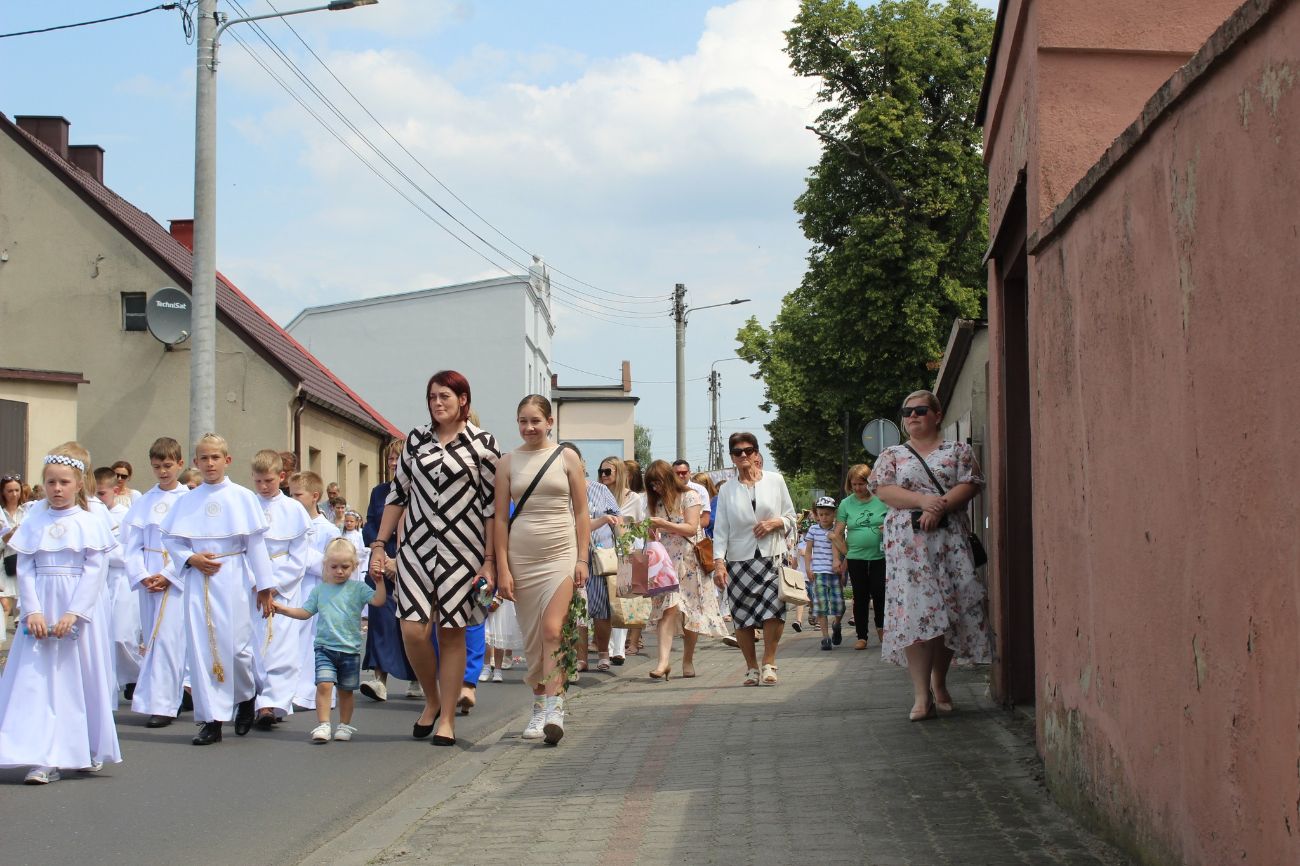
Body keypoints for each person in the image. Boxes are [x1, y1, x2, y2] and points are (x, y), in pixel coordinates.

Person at [369, 371, 499, 747]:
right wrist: (380, 544)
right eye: (431, 397)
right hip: (416, 548)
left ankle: (446, 719)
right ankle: (431, 697)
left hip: (464, 551)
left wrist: (489, 560)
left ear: (463, 400)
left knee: (452, 632)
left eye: (445, 396)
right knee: (412, 630)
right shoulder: (416, 440)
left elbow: (491, 507)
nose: (437, 402)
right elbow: (398, 494)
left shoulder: (484, 444)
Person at [0, 443, 121, 783]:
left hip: (76, 611)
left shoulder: (88, 522)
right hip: (41, 607)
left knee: (78, 678)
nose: (57, 489)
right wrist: (32, 610)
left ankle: (81, 747)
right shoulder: (35, 521)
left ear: (78, 484)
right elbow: (25, 566)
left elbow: (95, 570)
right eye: (51, 482)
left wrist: (75, 613)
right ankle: (43, 755)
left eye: (64, 482)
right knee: (39, 680)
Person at [868, 390, 990, 721]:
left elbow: (971, 483)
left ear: (937, 414)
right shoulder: (892, 454)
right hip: (908, 548)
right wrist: (923, 503)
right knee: (915, 614)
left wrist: (939, 507)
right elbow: (882, 489)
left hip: (948, 541)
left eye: (920, 410)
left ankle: (940, 682)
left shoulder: (957, 451)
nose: (912, 416)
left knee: (947, 610)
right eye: (906, 411)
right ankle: (922, 696)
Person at [161, 433, 277, 745]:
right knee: (201, 649)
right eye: (203, 458)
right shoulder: (187, 500)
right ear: (196, 462)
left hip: (233, 577)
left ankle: (246, 695)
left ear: (227, 460)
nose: (209, 463)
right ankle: (211, 719)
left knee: (237, 649)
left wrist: (264, 587)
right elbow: (172, 539)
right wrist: (191, 558)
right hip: (199, 580)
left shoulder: (242, 497)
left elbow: (255, 544)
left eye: (215, 458)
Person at [494, 395, 588, 745]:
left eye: (536, 420)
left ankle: (555, 708)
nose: (529, 427)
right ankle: (538, 705)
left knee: (552, 630)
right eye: (523, 421)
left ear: (550, 422)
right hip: (521, 556)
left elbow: (580, 512)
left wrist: (581, 559)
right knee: (532, 638)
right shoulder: (507, 463)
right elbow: (500, 519)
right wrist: (502, 567)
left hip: (560, 552)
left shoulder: (567, 457)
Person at [273, 537, 388, 742]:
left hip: (349, 650)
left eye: (345, 566)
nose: (339, 571)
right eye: (334, 566)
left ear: (354, 566)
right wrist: (282, 609)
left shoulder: (358, 589)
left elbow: (378, 601)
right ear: (326, 566)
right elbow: (305, 612)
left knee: (345, 691)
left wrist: (379, 582)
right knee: (324, 685)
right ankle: (323, 724)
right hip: (324, 648)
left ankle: (344, 725)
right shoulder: (320, 591)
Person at [711, 432, 796, 687]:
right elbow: (721, 529)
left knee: (774, 610)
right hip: (739, 560)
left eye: (749, 450)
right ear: (732, 458)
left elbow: (791, 517)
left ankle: (769, 662)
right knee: (743, 615)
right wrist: (718, 562)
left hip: (772, 555)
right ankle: (751, 668)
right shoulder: (727, 490)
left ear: (757, 453)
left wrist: (775, 523)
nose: (744, 455)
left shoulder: (775, 480)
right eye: (738, 452)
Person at [124, 437, 191, 728]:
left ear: (179, 463)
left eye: (167, 465)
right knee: (151, 639)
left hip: (174, 577)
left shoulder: (189, 499)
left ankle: (165, 704)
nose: (163, 472)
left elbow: (191, 543)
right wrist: (142, 575)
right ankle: (153, 698)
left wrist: (167, 575)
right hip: (149, 575)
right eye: (156, 467)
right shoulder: (145, 501)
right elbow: (131, 544)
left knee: (168, 640)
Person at [645, 460, 728, 679]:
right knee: (667, 609)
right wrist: (650, 531)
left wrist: (663, 525)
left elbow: (692, 528)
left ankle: (687, 659)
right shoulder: (656, 502)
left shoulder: (690, 496)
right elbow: (653, 534)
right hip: (665, 562)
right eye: (652, 484)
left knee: (692, 611)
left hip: (690, 561)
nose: (656, 488)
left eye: (658, 482)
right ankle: (663, 662)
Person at [248, 449, 311, 729]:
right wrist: (255, 581)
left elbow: (299, 557)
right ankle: (252, 697)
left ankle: (271, 703)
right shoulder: (247, 505)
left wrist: (274, 586)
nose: (263, 487)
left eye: (269, 481)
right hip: (251, 583)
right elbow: (239, 549)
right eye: (259, 481)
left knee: (280, 645)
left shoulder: (293, 509)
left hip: (282, 583)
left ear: (281, 477)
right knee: (252, 644)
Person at [359, 439, 419, 702]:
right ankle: (379, 680)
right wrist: (380, 552)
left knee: (413, 624)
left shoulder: (423, 493)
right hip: (381, 565)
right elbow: (370, 526)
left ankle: (418, 677)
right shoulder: (379, 492)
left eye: (399, 458)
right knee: (381, 622)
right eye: (391, 459)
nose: (394, 463)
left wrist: (402, 561)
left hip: (414, 566)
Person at [563, 443, 620, 674]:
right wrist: (602, 520)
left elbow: (618, 519)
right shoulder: (560, 491)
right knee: (578, 608)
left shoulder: (600, 489)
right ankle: (581, 657)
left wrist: (624, 546)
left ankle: (604, 653)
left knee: (601, 607)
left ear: (582, 463)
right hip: (573, 554)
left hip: (601, 556)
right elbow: (575, 524)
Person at [288, 471, 342, 711]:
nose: (293, 499)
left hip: (316, 590)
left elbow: (333, 565)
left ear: (315, 496)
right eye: (291, 495)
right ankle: (291, 690)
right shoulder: (289, 524)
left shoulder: (328, 530)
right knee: (292, 640)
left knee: (312, 641)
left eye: (298, 495)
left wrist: (301, 557)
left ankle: (311, 693)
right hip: (293, 588)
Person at [94, 466, 140, 699]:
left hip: (122, 580)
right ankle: (110, 684)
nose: (98, 500)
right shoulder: (90, 514)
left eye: (102, 494)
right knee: (103, 638)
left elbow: (130, 553)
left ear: (115, 489)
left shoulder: (126, 515)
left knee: (123, 637)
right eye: (95, 494)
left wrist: (104, 552)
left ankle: (136, 674)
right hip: (101, 581)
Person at [832, 464, 888, 650]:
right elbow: (837, 533)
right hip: (856, 557)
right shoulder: (846, 504)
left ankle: (881, 628)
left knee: (880, 593)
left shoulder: (882, 499)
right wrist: (837, 557)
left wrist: (887, 527)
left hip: (880, 556)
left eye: (861, 484)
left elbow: (896, 521)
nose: (858, 488)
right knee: (860, 596)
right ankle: (862, 636)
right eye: (854, 484)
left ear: (870, 482)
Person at [598, 457, 641, 665]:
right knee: (605, 601)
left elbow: (641, 526)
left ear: (620, 473)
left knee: (623, 600)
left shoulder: (633, 498)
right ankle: (606, 647)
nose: (603, 475)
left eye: (608, 471)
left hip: (627, 552)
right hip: (603, 553)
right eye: (601, 471)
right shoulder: (598, 494)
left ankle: (618, 649)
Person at [804, 497, 845, 650]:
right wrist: (808, 568)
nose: (824, 517)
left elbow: (844, 549)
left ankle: (837, 624)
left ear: (834, 514)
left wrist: (836, 538)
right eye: (821, 514)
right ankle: (825, 637)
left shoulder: (837, 530)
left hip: (834, 573)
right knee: (821, 605)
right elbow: (808, 551)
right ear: (816, 515)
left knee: (839, 605)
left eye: (827, 514)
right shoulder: (813, 530)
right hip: (819, 572)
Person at [1, 473, 29, 641]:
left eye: (16, 490)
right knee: (4, 604)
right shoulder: (0, 512)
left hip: (24, 562)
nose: (13, 494)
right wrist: (5, 538)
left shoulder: (28, 511)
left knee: (22, 606)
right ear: (3, 492)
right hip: (4, 563)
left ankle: (21, 645)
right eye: (9, 491)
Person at [672, 460, 712, 532]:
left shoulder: (700, 490)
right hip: (671, 537)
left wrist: (684, 529)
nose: (680, 475)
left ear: (689, 473)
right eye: (677, 473)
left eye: (683, 473)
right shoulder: (667, 491)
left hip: (694, 538)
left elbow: (705, 520)